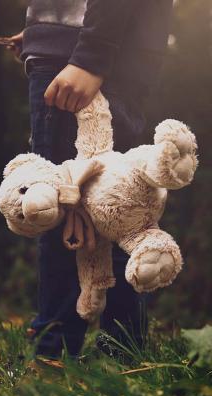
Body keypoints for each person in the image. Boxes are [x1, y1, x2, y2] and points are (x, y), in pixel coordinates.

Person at [9, 0, 174, 359]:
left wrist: (89, 55)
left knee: (60, 207)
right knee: (115, 210)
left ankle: (52, 355)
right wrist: (43, 30)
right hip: (93, 45)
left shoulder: (90, 55)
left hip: (84, 55)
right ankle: (125, 353)